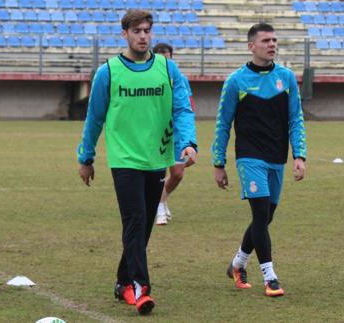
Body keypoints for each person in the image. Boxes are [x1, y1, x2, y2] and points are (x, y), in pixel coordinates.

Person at [77, 10, 197, 315]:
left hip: (156, 158)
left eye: (147, 31)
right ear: (125, 34)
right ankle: (141, 288)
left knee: (143, 227)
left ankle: (122, 282)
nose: (143, 36)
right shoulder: (109, 72)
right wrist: (86, 157)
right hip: (124, 160)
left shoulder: (168, 70)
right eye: (137, 31)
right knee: (134, 220)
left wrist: (188, 143)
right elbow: (95, 118)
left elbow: (182, 110)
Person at [211, 23, 306, 297]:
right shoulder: (236, 81)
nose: (272, 44)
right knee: (260, 214)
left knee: (267, 215)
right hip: (249, 157)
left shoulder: (286, 78)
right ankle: (270, 277)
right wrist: (219, 163)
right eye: (266, 40)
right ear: (251, 46)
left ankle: (238, 263)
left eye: (275, 39)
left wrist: (299, 154)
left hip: (277, 157)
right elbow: (222, 124)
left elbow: (296, 119)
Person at [152, 43, 196, 225]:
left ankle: (160, 200)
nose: (164, 58)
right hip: (156, 133)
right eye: (159, 55)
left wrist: (189, 137)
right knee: (157, 173)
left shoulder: (180, 79)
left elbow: (188, 105)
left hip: (177, 132)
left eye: (166, 55)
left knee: (177, 173)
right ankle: (160, 205)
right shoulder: (150, 78)